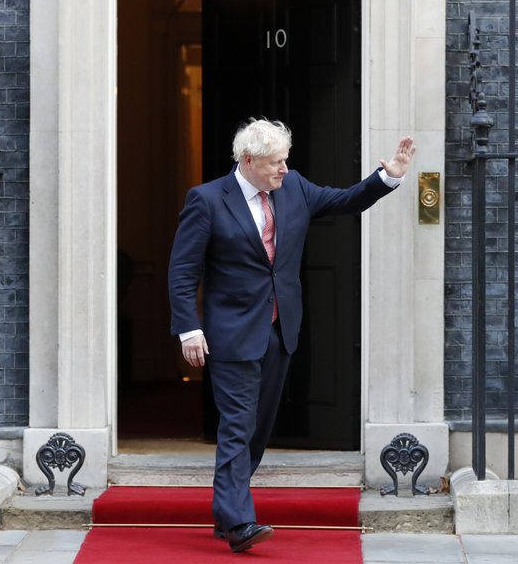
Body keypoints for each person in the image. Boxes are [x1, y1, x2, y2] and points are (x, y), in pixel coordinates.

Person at [168, 118, 415, 553]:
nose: (284, 169)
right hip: (230, 335)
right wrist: (190, 328)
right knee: (238, 425)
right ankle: (239, 521)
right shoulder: (207, 200)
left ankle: (227, 510)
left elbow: (345, 200)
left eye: (285, 161)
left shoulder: (295, 187)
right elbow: (184, 271)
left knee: (259, 429)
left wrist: (387, 177)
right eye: (275, 163)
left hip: (281, 330)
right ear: (248, 161)